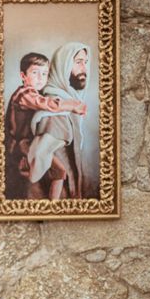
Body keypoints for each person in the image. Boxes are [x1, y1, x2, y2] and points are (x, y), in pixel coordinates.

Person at [5, 52, 87, 200]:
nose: (40, 78)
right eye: (35, 73)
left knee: (60, 171)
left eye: (44, 74)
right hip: (20, 144)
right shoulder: (24, 94)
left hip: (30, 143)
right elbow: (44, 103)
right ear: (23, 76)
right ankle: (32, 184)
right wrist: (71, 105)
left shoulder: (37, 92)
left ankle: (52, 205)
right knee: (30, 177)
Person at [28, 43, 91, 199]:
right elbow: (38, 162)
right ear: (63, 66)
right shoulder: (55, 113)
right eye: (78, 62)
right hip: (58, 197)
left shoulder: (65, 103)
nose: (84, 68)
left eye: (85, 62)